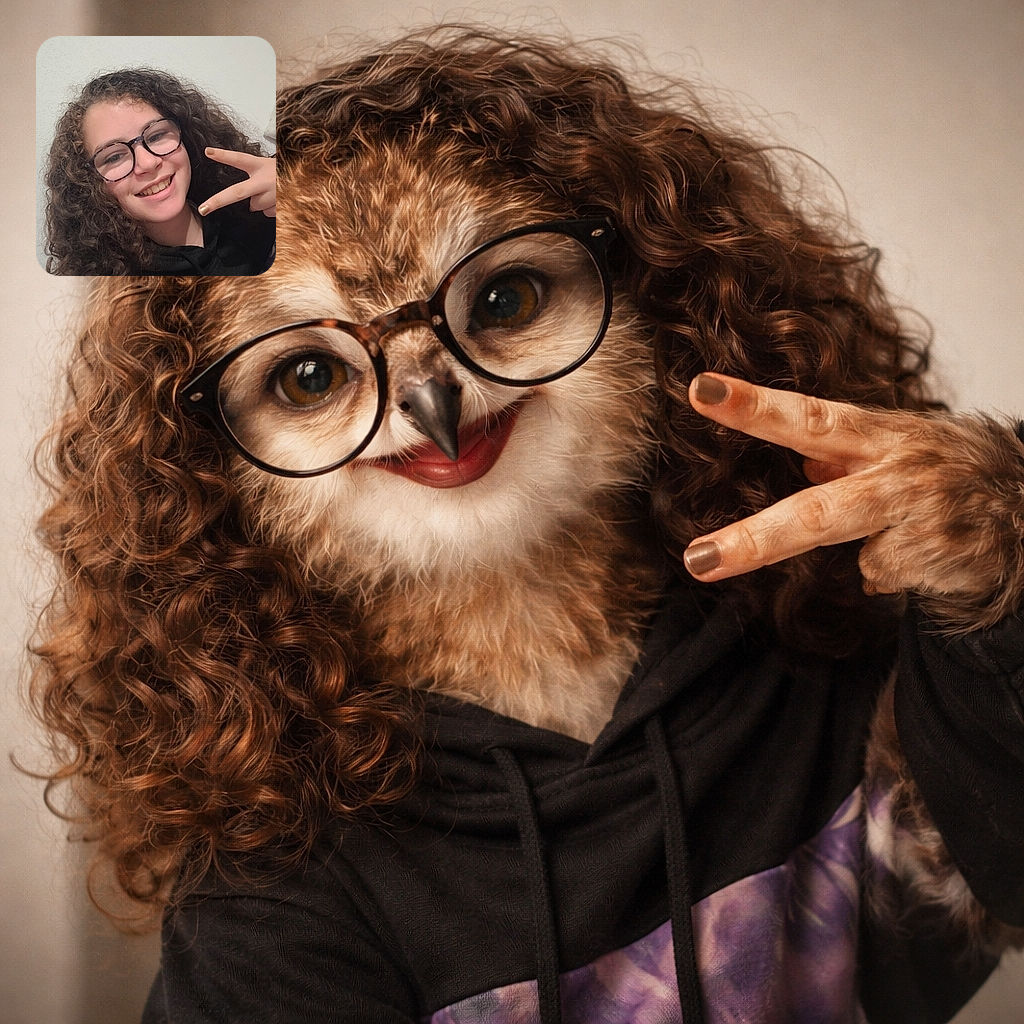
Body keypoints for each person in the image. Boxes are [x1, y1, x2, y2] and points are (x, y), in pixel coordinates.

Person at [31, 30, 1024, 1024]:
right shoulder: (282, 896)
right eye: (311, 376)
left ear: (653, 299)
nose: (430, 397)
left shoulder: (817, 636)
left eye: (504, 298)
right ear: (213, 470)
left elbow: (991, 879)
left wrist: (1004, 560)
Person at [44, 67, 275, 276]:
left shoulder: (255, 211)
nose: (147, 163)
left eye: (156, 136)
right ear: (88, 182)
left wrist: (292, 188)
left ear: (187, 135)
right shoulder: (107, 286)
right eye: (114, 157)